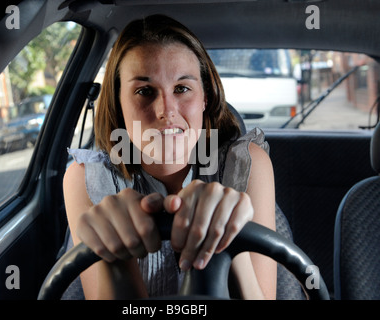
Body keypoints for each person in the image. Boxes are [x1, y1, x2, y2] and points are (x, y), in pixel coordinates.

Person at [63, 14, 276, 300]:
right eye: (144, 91)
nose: (166, 110)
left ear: (206, 98)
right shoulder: (85, 179)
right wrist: (118, 260)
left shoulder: (246, 165)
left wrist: (228, 240)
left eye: (181, 88)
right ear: (119, 104)